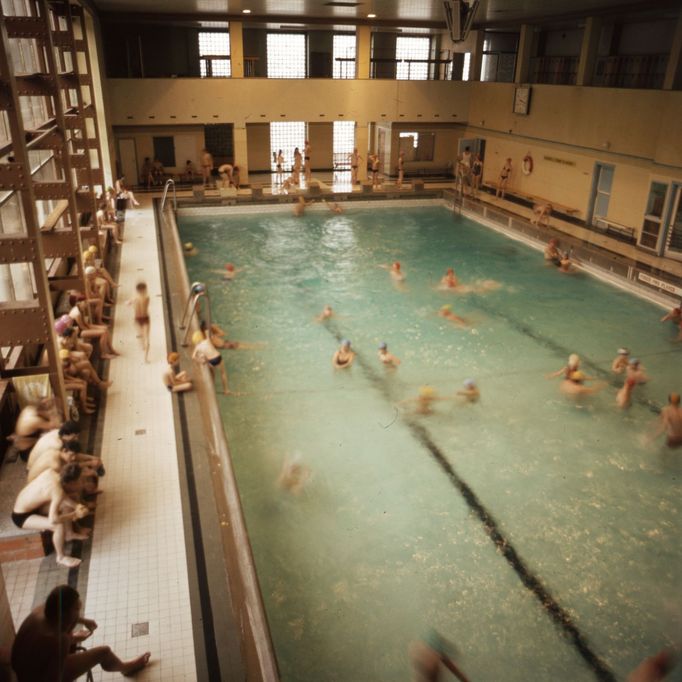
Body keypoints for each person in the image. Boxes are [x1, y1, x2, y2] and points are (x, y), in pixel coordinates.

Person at [11, 584, 151, 682]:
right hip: (36, 678)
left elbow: (46, 641)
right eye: (77, 609)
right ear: (67, 613)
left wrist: (82, 621)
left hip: (20, 667)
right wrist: (70, 639)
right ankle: (126, 668)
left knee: (72, 637)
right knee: (104, 652)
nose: (79, 612)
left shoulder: (40, 611)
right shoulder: (59, 640)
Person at [11, 464, 90, 567]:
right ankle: (61, 558)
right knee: (58, 526)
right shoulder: (57, 491)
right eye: (79, 481)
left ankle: (69, 534)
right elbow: (54, 520)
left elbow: (63, 497)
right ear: (71, 482)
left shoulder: (51, 472)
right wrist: (74, 515)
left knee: (67, 504)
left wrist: (77, 506)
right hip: (21, 516)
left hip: (33, 508)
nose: (81, 483)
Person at [192, 330, 229, 394]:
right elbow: (208, 334)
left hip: (211, 361)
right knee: (223, 373)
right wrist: (207, 332)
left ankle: (213, 389)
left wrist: (201, 361)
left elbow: (193, 357)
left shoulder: (197, 347)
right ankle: (226, 390)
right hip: (218, 357)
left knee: (213, 374)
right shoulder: (207, 341)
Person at [128, 282, 150, 362]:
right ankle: (145, 358)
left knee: (140, 335)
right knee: (146, 337)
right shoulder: (147, 298)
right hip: (145, 318)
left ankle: (142, 346)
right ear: (144, 289)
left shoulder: (135, 298)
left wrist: (131, 302)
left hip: (137, 319)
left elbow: (127, 303)